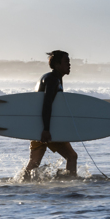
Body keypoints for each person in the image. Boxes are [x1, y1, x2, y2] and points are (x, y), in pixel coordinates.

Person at [22, 50, 78, 181]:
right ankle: (69, 182)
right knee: (71, 156)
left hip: (41, 125)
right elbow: (47, 105)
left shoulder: (53, 78)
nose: (69, 65)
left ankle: (21, 184)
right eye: (66, 62)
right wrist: (46, 129)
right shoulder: (52, 80)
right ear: (57, 64)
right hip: (47, 127)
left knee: (34, 163)